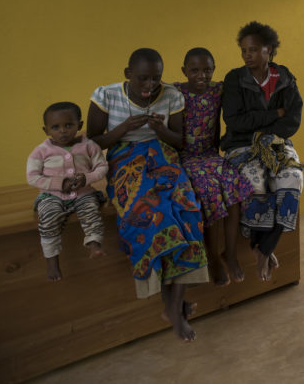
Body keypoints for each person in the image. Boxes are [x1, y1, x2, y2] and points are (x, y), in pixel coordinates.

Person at [87, 48, 208, 342]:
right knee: (153, 214)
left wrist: (159, 130)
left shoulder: (172, 96)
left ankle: (174, 305)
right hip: (125, 161)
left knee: (188, 212)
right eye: (142, 78)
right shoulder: (106, 95)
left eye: (156, 78)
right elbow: (91, 143)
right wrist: (123, 129)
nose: (149, 85)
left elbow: (179, 142)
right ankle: (171, 304)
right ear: (127, 74)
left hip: (164, 156)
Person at [221, 21, 304, 282]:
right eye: (244, 50)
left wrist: (263, 125)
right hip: (241, 146)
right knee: (255, 182)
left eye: (253, 50)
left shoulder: (285, 78)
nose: (247, 55)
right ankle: (263, 250)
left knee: (292, 180)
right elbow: (234, 121)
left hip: (277, 144)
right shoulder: (235, 79)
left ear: (269, 50)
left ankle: (264, 248)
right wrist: (272, 114)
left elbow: (292, 121)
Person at [174, 47, 253, 286]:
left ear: (214, 70)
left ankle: (229, 252)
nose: (201, 75)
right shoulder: (176, 92)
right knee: (209, 192)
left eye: (207, 70)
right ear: (184, 71)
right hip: (186, 158)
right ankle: (212, 255)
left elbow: (244, 87)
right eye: (194, 70)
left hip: (210, 155)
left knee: (234, 184)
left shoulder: (218, 90)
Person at [26, 101, 108, 281]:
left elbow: (101, 167)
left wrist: (86, 178)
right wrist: (58, 183)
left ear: (79, 126)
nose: (62, 131)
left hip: (83, 193)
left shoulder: (89, 146)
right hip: (52, 196)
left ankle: (94, 245)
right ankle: (52, 262)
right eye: (55, 127)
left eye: (68, 125)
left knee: (91, 211)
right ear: (46, 130)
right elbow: (32, 177)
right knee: (48, 218)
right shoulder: (41, 151)